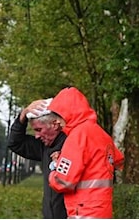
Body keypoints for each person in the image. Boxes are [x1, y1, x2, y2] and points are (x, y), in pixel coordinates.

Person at [47, 86, 124, 219]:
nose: (58, 122)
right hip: (102, 209)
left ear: (68, 114)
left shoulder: (77, 136)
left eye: (59, 116)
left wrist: (54, 169)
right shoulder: (101, 133)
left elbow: (63, 182)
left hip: (83, 209)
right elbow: (118, 160)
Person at [7, 98, 67, 219]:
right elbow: (15, 143)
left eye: (39, 130)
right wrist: (23, 115)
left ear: (55, 124)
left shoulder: (73, 144)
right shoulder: (44, 146)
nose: (37, 136)